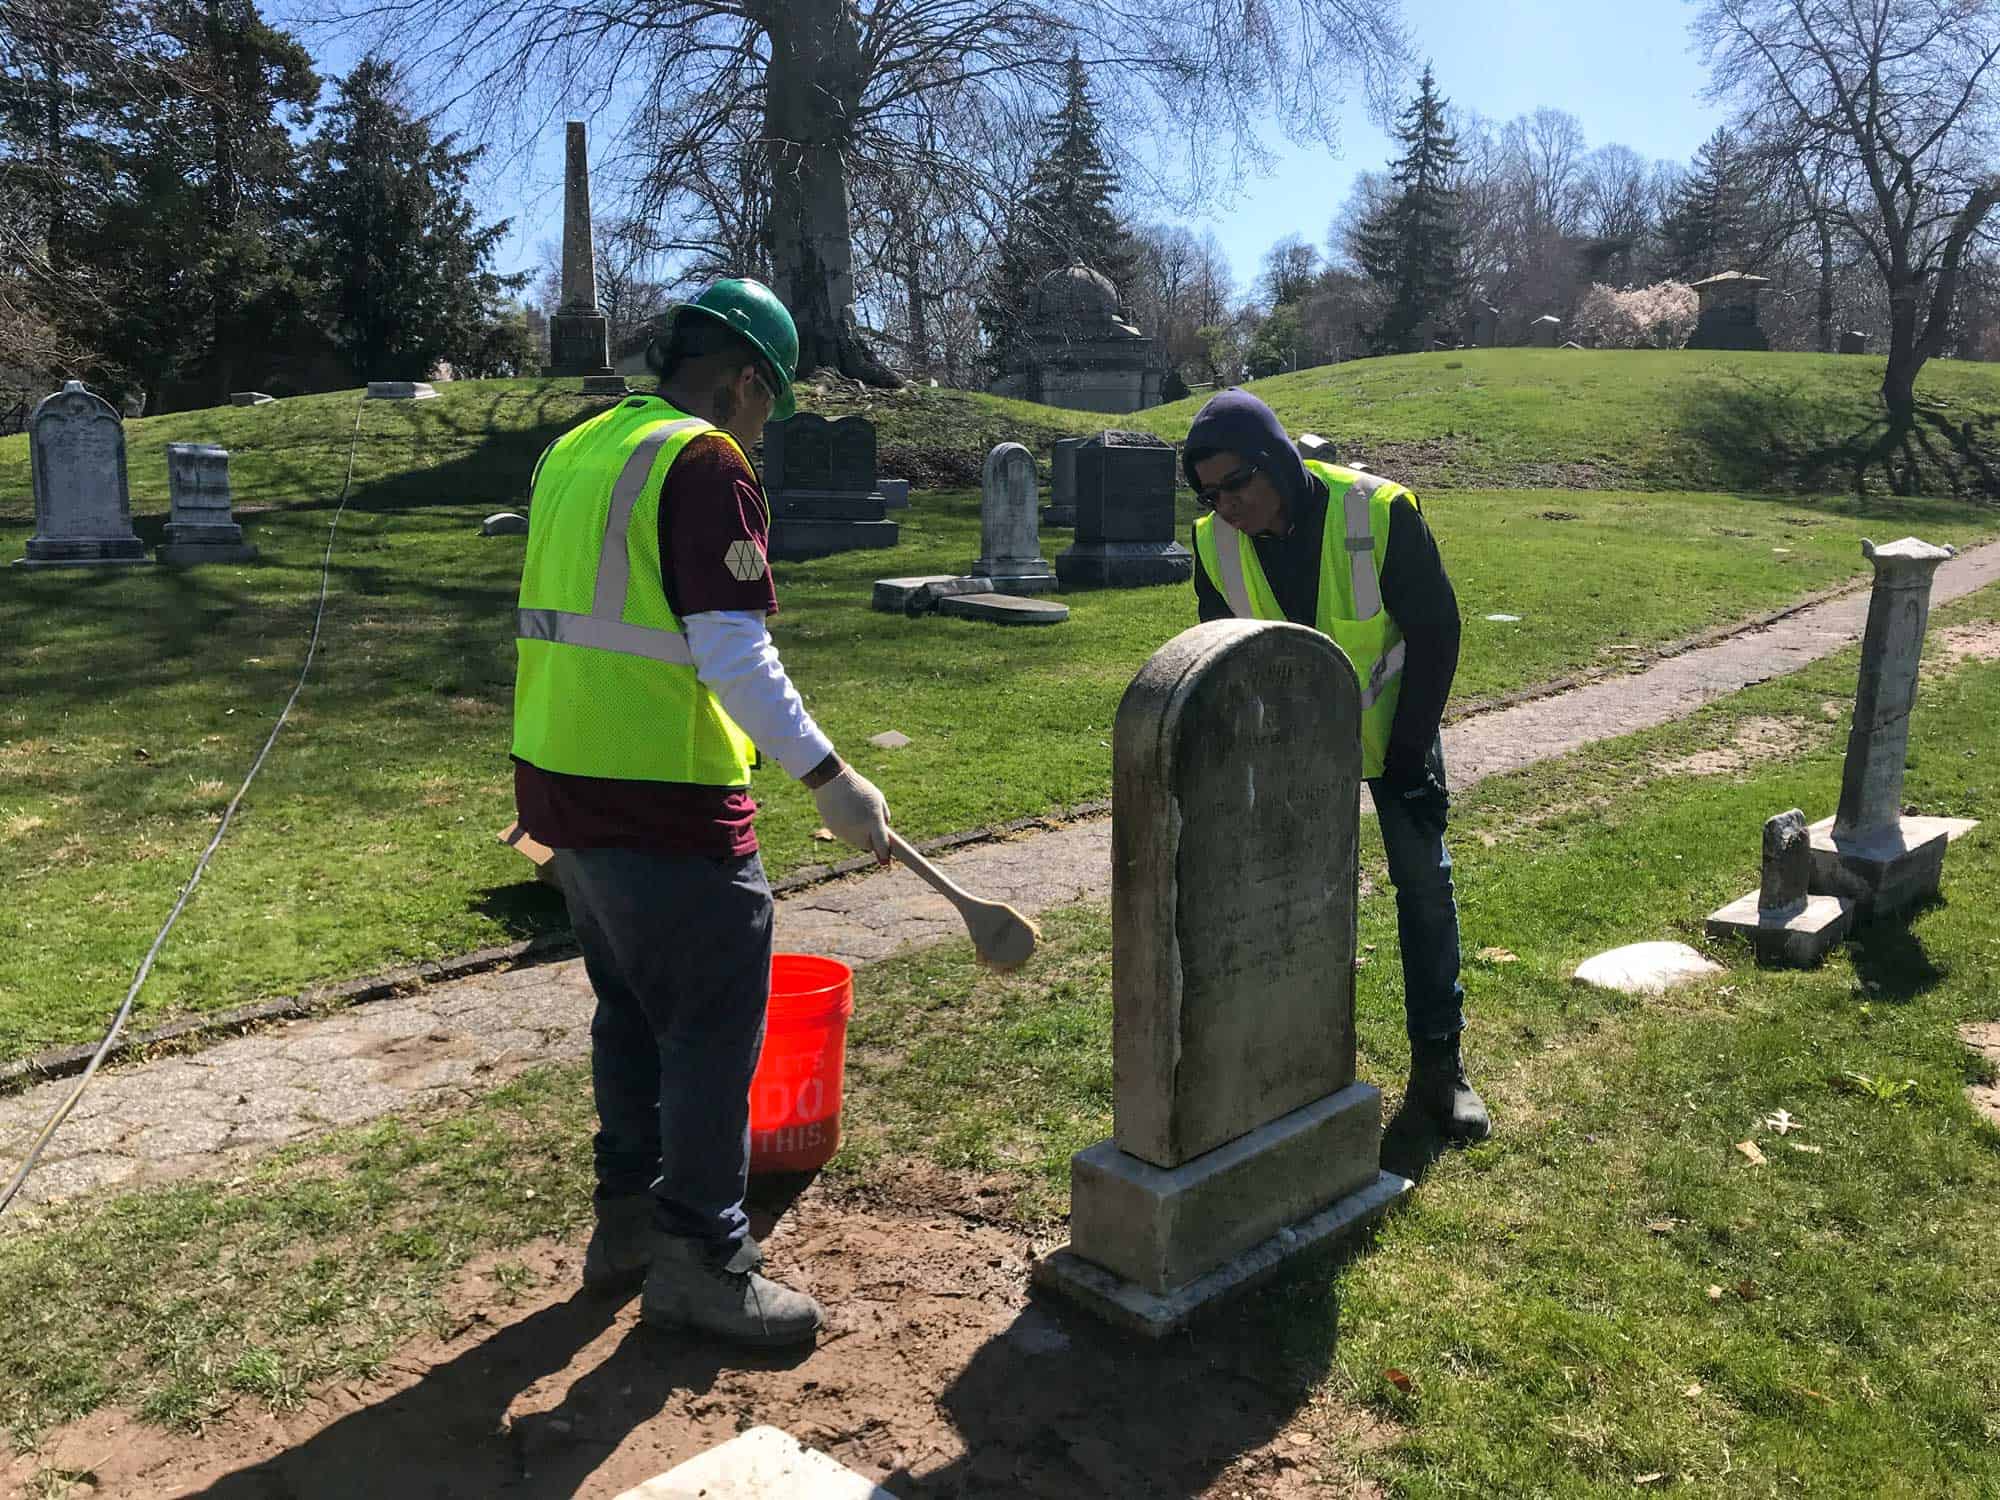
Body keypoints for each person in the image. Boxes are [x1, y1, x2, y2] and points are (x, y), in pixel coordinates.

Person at [510, 277, 892, 1347]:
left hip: (558, 784)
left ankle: (624, 1226)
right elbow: (731, 647)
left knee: (629, 1011)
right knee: (715, 1027)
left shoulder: (574, 450)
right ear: (740, 382)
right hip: (662, 798)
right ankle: (703, 1256)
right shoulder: (701, 459)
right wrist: (829, 778)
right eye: (768, 404)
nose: (763, 428)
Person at [1182, 389, 1490, 1143]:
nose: (1227, 507)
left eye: (1238, 485)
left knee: (1421, 883)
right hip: (1288, 749)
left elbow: (1436, 632)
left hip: (1396, 732)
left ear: (1277, 462)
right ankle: (1290, 1064)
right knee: (1285, 899)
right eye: (1210, 494)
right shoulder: (1213, 543)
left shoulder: (1377, 512)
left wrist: (1413, 755)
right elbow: (1224, 658)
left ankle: (1440, 1068)